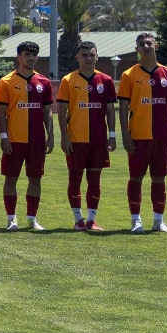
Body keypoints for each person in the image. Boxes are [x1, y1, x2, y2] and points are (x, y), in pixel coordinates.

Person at [118, 32, 167, 233]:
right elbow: (123, 108)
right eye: (141, 44)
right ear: (136, 49)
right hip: (138, 135)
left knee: (159, 178)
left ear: (156, 46)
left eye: (149, 43)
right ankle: (136, 220)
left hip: (162, 137)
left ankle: (158, 220)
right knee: (136, 177)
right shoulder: (129, 75)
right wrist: (125, 135)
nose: (146, 46)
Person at [57, 39, 119, 231]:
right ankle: (78, 220)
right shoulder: (68, 80)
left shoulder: (106, 81)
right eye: (84, 55)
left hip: (98, 140)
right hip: (76, 139)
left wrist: (112, 135)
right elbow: (61, 111)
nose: (88, 59)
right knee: (74, 180)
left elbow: (110, 111)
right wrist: (64, 137)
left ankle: (91, 220)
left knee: (95, 180)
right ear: (77, 57)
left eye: (92, 55)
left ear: (97, 56)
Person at [0, 39, 55, 231]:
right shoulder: (6, 82)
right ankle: (11, 219)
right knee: (11, 178)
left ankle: (32, 219)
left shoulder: (43, 82)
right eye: (27, 55)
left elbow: (47, 112)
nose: (31, 58)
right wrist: (4, 136)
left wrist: (51, 135)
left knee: (35, 179)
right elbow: (1, 112)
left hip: (36, 140)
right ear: (19, 57)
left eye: (34, 55)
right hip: (14, 139)